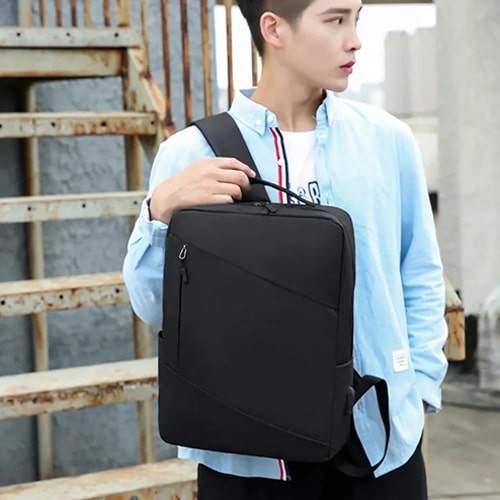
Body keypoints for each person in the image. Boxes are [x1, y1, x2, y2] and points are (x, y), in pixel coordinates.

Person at [122, 0, 448, 498]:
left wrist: (419, 387)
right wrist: (160, 211)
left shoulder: (388, 141)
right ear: (274, 29)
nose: (355, 39)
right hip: (248, 453)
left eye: (356, 18)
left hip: (380, 439)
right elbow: (154, 307)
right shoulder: (191, 153)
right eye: (335, 20)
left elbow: (418, 274)